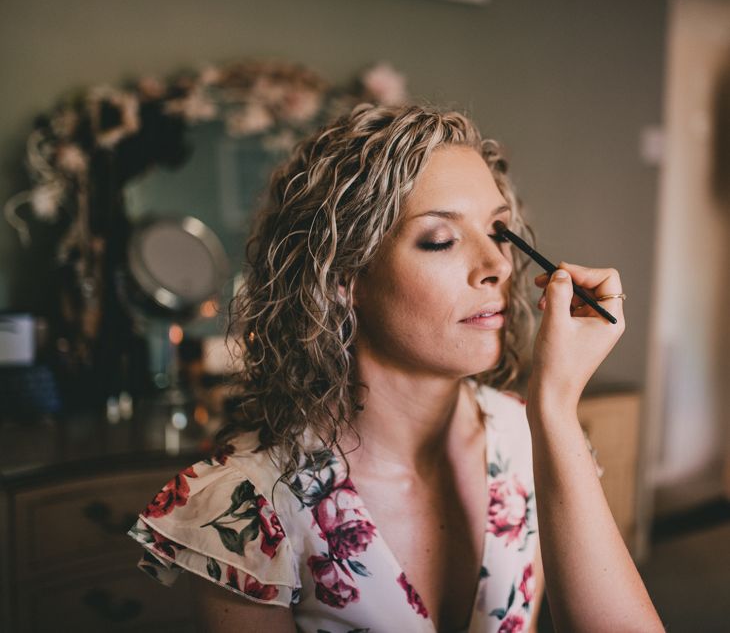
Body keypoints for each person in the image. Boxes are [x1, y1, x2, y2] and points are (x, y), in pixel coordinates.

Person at [128, 104, 664, 632]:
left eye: (499, 231)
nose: (499, 265)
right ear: (343, 277)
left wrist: (556, 406)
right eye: (440, 239)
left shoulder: (531, 443)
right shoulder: (248, 508)